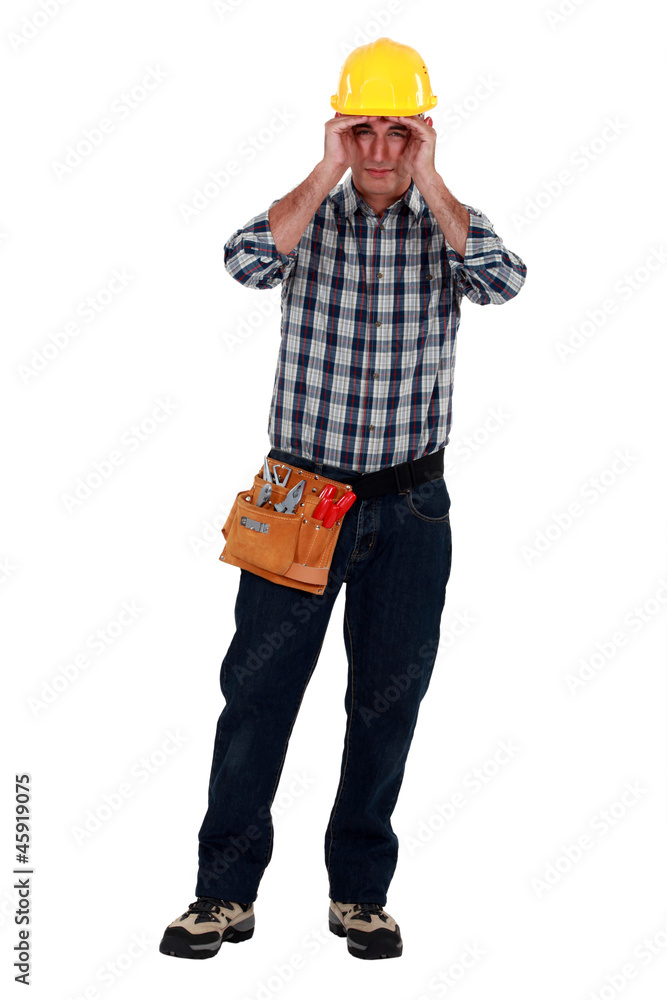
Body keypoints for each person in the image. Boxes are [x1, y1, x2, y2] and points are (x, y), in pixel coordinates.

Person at [160, 36, 527, 962]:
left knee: (384, 704)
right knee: (256, 697)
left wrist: (438, 184)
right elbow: (244, 260)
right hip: (300, 495)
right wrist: (319, 169)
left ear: (421, 135)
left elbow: (506, 281)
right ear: (338, 128)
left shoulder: (449, 227)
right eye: (359, 129)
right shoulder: (306, 216)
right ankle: (221, 897)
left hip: (410, 508)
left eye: (395, 132)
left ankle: (360, 897)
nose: (376, 150)